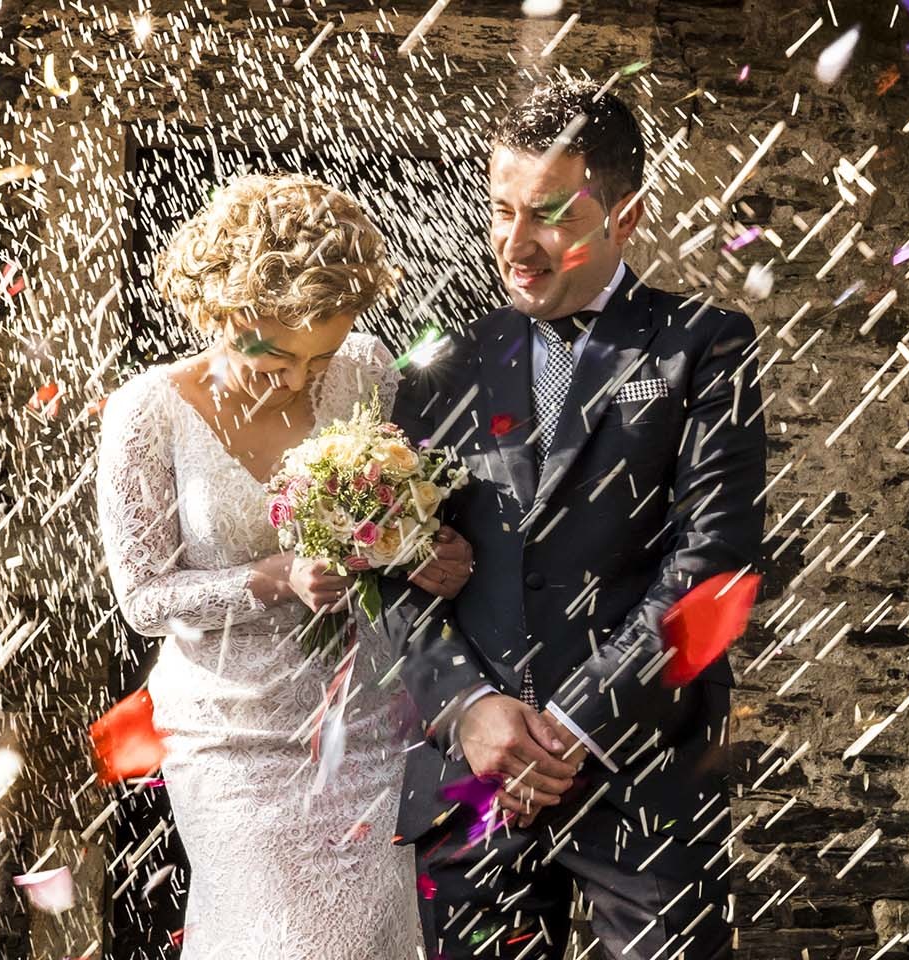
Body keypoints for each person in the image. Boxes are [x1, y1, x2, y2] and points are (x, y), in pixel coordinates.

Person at [385, 80, 768, 959]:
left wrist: (574, 724)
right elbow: (392, 572)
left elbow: (714, 560)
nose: (515, 246)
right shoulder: (442, 365)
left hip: (645, 774)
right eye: (501, 211)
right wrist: (471, 708)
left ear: (625, 216)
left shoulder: (704, 344)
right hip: (474, 786)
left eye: (550, 216)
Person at [94, 173, 472, 959]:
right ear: (215, 313)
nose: (299, 380)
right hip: (232, 742)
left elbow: (393, 514)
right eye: (272, 356)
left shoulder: (366, 368)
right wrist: (273, 578)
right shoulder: (148, 412)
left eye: (319, 355)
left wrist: (417, 552)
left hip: (365, 728)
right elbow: (142, 598)